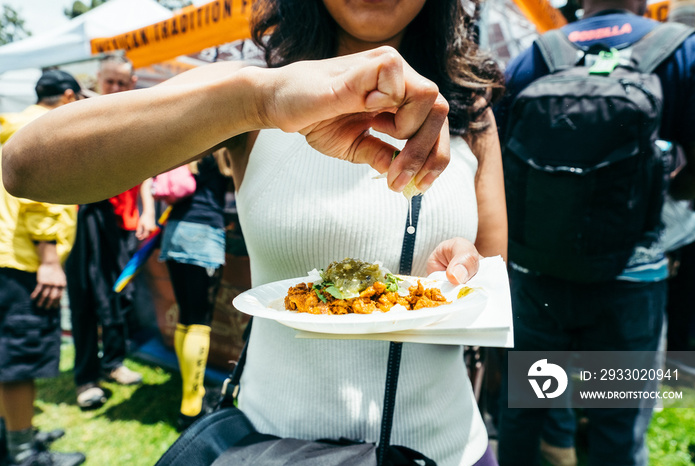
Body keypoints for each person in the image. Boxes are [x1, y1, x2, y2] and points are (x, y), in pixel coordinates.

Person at [2, 1, 507, 463]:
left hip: (447, 448)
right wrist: (258, 101)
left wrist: (464, 266)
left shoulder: (470, 109)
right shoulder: (256, 92)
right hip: (271, 447)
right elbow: (26, 166)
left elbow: (487, 273)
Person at [495, 0, 695, 463]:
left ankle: (552, 444)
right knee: (616, 420)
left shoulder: (538, 53)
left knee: (528, 406)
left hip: (539, 274)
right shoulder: (685, 51)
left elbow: (506, 158)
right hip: (631, 276)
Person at [0, 70, 86, 466]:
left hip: (9, 255)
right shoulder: (45, 129)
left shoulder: (14, 124)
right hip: (24, 260)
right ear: (67, 97)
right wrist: (49, 261)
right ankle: (21, 453)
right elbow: (40, 198)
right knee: (19, 356)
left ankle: (17, 433)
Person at [64, 55, 157, 410]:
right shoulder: (80, 117)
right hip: (89, 217)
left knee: (121, 293)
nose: (116, 89)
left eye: (122, 82)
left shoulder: (136, 119)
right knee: (87, 296)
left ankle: (114, 362)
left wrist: (147, 209)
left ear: (132, 83)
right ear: (98, 80)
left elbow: (144, 170)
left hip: (125, 221)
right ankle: (86, 378)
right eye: (110, 82)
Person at [158, 151, 233, 431]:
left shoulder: (186, 145)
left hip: (175, 231)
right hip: (203, 233)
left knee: (186, 318)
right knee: (200, 322)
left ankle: (192, 394)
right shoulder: (220, 151)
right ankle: (191, 409)